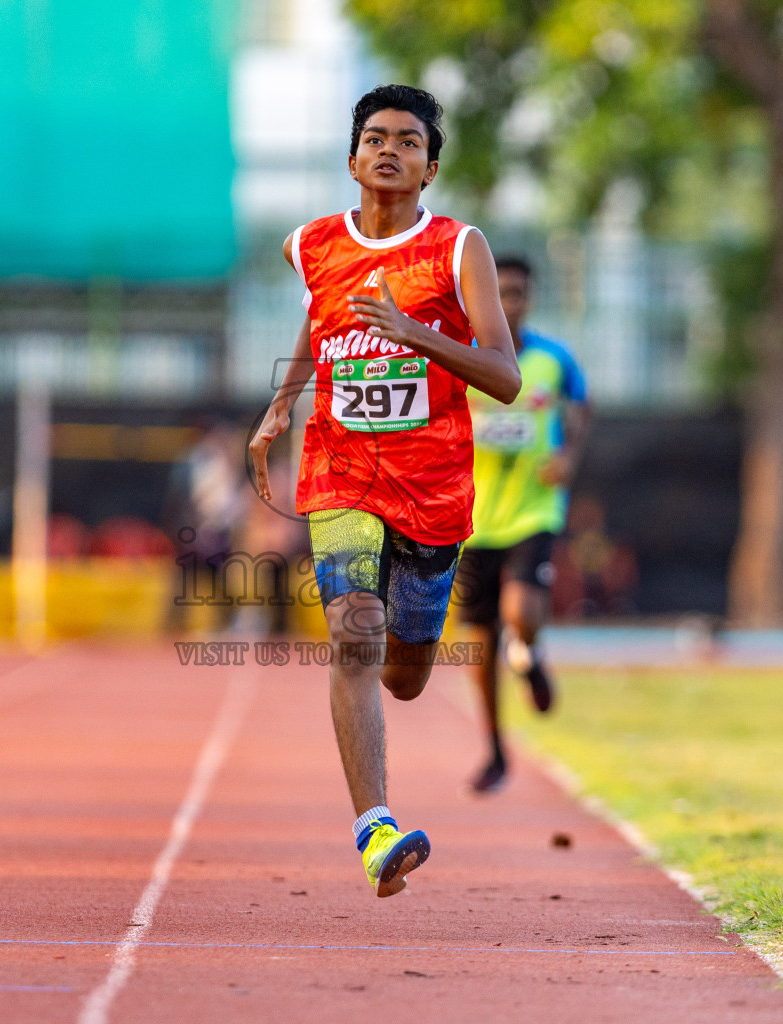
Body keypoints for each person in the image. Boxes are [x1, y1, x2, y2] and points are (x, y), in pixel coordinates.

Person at [249, 85, 520, 897]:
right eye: (375, 137)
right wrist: (280, 404)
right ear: (352, 157)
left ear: (430, 167)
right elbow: (318, 321)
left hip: (433, 487)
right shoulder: (312, 245)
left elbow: (504, 377)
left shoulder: (458, 248)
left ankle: (411, 638)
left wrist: (417, 332)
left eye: (408, 140)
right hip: (340, 473)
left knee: (404, 672)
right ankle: (375, 829)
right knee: (353, 630)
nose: (389, 149)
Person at [456, 254, 589, 794]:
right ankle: (493, 750)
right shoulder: (460, 359)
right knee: (478, 641)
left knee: (521, 609)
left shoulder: (555, 360)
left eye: (519, 293)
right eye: (501, 292)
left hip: (533, 510)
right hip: (468, 520)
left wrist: (569, 457)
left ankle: (529, 654)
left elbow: (581, 411)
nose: (510, 303)